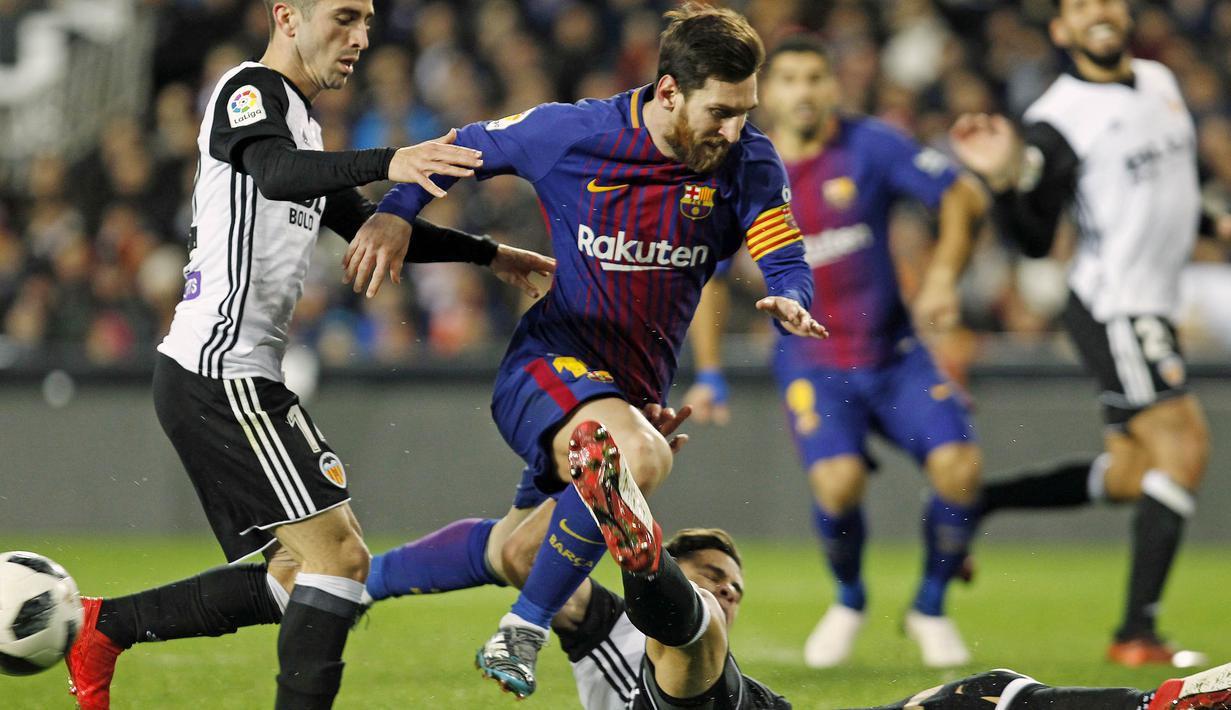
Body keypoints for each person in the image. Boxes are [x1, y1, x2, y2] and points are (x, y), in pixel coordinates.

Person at [61, 1, 553, 709]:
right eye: (343, 17)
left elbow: (364, 224)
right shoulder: (249, 91)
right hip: (218, 371)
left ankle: (105, 627)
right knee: (341, 560)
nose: (358, 38)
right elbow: (273, 170)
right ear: (286, 15)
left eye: (367, 22)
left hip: (241, 376)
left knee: (305, 574)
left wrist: (491, 254)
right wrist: (393, 158)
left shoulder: (301, 123)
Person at [346, 2, 825, 698]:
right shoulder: (571, 131)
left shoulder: (747, 159)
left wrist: (793, 298)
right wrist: (393, 215)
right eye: (721, 110)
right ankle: (523, 630)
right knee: (636, 456)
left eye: (744, 110)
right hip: (547, 365)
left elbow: (782, 250)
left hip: (623, 393)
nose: (735, 128)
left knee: (520, 548)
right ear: (667, 92)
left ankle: (354, 581)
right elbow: (458, 147)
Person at [496, 431, 1231, 710]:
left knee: (986, 693)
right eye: (714, 572)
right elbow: (525, 557)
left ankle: (1158, 705)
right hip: (681, 686)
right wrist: (575, 502)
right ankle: (642, 547)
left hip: (749, 706)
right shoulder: (601, 625)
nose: (729, 586)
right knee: (693, 642)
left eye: (733, 585)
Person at [682, 35, 989, 668]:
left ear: (832, 85)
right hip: (813, 362)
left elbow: (960, 194)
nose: (803, 91)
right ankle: (850, 598)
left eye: (815, 77)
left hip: (895, 353)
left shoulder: (870, 144)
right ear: (768, 92)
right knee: (838, 482)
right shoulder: (740, 165)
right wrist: (708, 371)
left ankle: (929, 606)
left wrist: (939, 278)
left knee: (960, 469)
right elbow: (707, 276)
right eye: (789, 79)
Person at [949, 0, 1209, 667]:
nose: (1098, 11)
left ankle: (981, 501)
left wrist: (1213, 225)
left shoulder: (1157, 80)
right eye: (1079, 5)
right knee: (1182, 446)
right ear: (1060, 31)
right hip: (1117, 304)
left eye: (1106, 0)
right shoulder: (1055, 120)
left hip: (1152, 297)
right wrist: (1005, 179)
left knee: (1130, 473)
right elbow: (1034, 240)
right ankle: (1135, 633)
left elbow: (1174, 186)